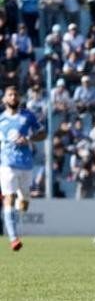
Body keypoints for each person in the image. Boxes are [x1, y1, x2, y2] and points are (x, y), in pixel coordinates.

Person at [0, 86, 46, 251]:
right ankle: (13, 238)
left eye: (15, 94)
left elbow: (43, 133)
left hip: (26, 164)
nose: (13, 97)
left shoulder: (27, 116)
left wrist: (28, 138)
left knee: (24, 203)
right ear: (4, 99)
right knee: (9, 197)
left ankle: (22, 200)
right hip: (7, 165)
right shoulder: (1, 119)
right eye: (9, 94)